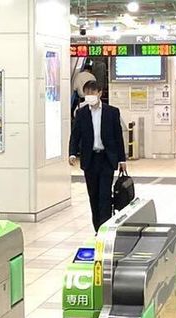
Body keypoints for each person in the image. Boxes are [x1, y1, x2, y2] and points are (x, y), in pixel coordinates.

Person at [69, 80, 127, 231]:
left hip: (107, 159)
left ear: (100, 93)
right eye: (87, 93)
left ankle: (104, 228)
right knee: (93, 196)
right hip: (90, 160)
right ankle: (97, 228)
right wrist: (72, 153)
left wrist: (122, 159)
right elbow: (75, 135)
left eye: (92, 93)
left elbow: (118, 137)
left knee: (105, 195)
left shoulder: (112, 112)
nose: (89, 96)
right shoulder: (81, 113)